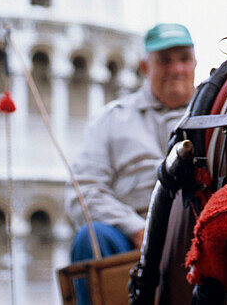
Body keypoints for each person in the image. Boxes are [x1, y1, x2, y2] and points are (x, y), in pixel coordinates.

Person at [65, 22, 197, 264]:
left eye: (184, 59)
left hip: (199, 233)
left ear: (195, 64)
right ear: (145, 67)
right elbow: (84, 193)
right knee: (91, 237)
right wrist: (137, 230)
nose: (177, 69)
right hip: (130, 240)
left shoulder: (214, 116)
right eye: (165, 60)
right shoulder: (110, 120)